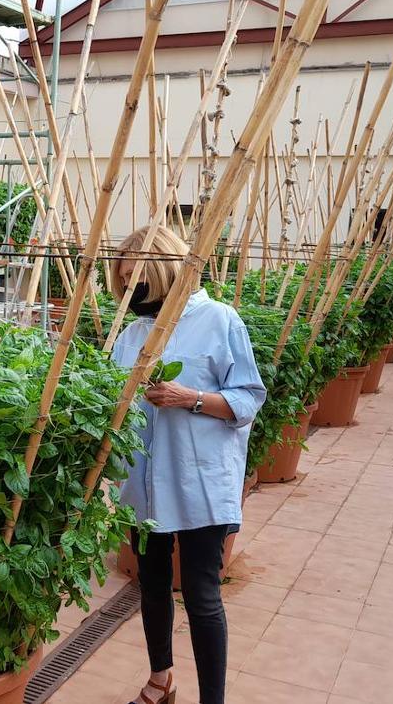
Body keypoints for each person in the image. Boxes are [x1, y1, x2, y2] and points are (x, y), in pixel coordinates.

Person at [109, 225, 266, 704]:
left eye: (139, 280)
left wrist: (191, 398)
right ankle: (161, 679)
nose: (133, 292)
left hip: (198, 478)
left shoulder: (219, 320)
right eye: (124, 281)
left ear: (164, 272)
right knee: (151, 583)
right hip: (143, 479)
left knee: (201, 594)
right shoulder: (133, 332)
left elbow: (248, 398)